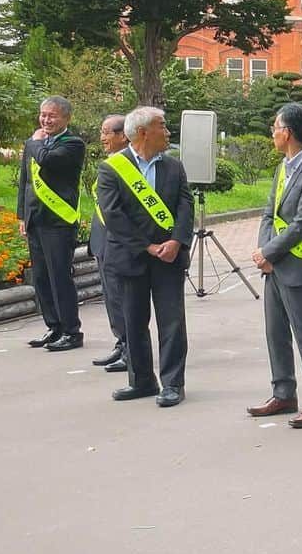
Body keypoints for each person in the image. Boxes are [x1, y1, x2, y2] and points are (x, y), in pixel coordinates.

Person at [96, 107, 194, 408]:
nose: (167, 132)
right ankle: (141, 381)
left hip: (169, 258)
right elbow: (113, 214)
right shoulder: (112, 168)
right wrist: (147, 246)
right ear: (142, 132)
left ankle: (173, 384)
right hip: (130, 257)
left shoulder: (174, 167)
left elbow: (184, 205)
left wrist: (176, 240)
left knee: (172, 322)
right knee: (133, 322)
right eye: (161, 126)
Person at [249, 103, 302, 429]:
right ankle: (283, 393)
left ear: (288, 132)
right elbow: (268, 213)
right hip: (274, 265)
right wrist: (264, 252)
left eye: (275, 127)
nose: (272, 132)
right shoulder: (283, 168)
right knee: (275, 333)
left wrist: (269, 253)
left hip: (297, 267)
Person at [18, 96, 87, 351]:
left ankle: (71, 331)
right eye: (43, 114)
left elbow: (46, 159)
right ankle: (53, 326)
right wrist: (21, 215)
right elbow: (25, 182)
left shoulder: (73, 144)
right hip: (36, 219)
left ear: (66, 118)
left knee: (60, 277)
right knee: (41, 278)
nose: (45, 120)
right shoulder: (35, 143)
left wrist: (35, 142)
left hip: (59, 221)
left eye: (52, 116)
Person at [88, 114, 129, 373]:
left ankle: (130, 348)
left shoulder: (127, 165)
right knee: (111, 298)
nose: (102, 137)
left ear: (123, 135)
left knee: (122, 299)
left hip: (120, 244)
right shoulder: (110, 163)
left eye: (107, 132)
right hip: (103, 241)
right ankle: (121, 343)